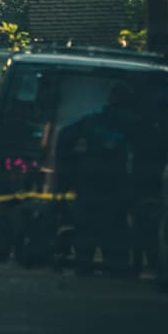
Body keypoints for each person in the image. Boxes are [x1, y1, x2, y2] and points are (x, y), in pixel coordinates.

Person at [57, 83, 135, 276]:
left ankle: (93, 264)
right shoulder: (132, 125)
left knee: (93, 229)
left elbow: (65, 137)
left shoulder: (94, 122)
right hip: (110, 186)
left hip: (98, 184)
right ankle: (104, 265)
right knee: (107, 231)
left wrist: (70, 167)